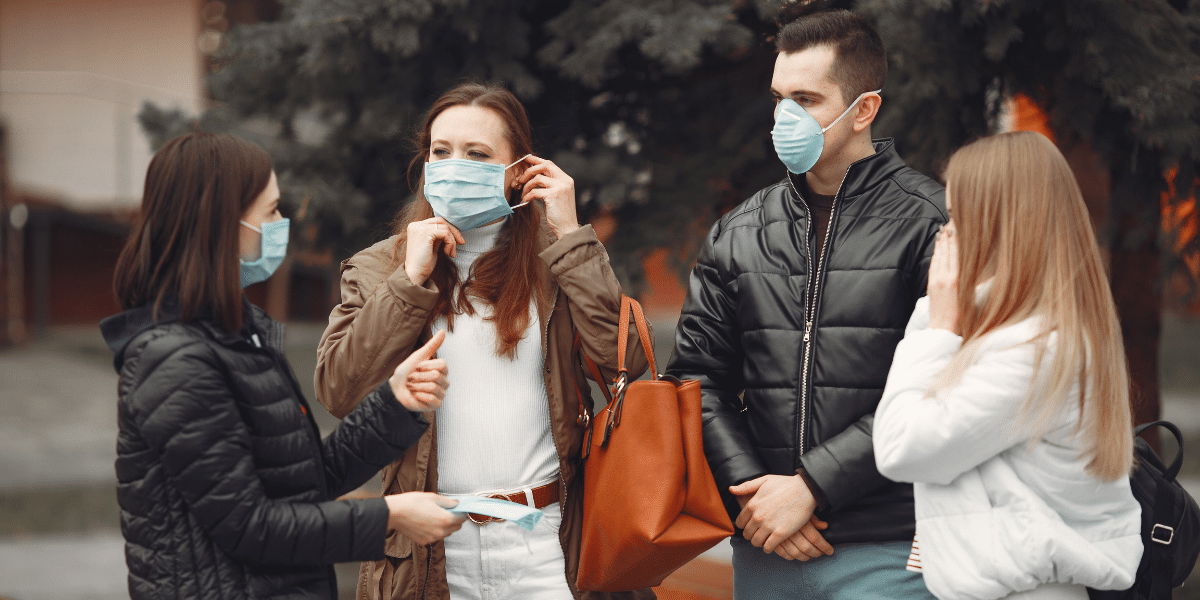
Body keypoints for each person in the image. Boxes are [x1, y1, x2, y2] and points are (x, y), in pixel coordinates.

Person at [312, 82, 654, 600]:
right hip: (431, 549)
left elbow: (623, 363)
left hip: (544, 543)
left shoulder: (556, 258)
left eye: (477, 154)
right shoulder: (380, 266)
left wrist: (569, 233)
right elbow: (339, 391)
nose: (454, 166)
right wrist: (410, 281)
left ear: (518, 170)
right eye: (441, 151)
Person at [100, 132, 467, 600]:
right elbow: (251, 526)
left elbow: (303, 482)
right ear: (220, 224)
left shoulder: (237, 335)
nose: (282, 222)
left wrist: (394, 404)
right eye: (270, 211)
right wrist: (390, 516)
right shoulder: (175, 359)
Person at [665, 9, 948, 599]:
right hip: (767, 546)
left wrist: (811, 488)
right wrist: (756, 494)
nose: (784, 117)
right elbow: (697, 379)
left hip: (892, 550)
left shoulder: (934, 223)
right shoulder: (738, 231)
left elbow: (944, 386)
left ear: (863, 109)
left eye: (806, 99)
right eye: (778, 98)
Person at [873, 130, 1143, 600]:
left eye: (958, 216)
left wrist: (938, 325)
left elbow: (901, 447)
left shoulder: (1037, 351)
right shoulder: (1021, 333)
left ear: (998, 224)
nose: (946, 232)